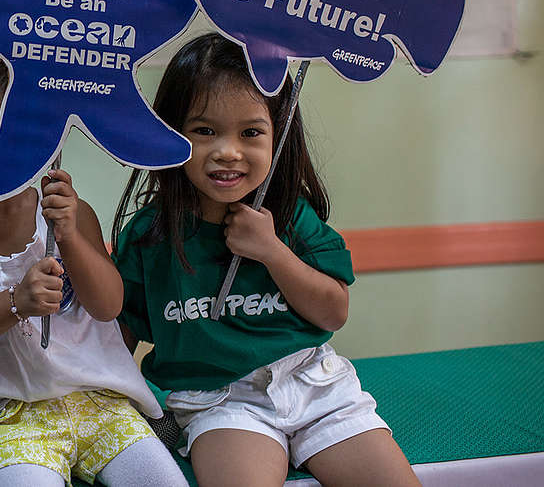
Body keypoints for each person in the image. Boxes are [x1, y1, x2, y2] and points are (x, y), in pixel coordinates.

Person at [112, 34, 420, 487]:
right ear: (170, 133)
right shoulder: (148, 235)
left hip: (317, 386)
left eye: (250, 132)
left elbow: (334, 311)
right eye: (204, 131)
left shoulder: (293, 215)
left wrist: (271, 251)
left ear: (278, 135)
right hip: (219, 402)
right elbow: (122, 330)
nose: (228, 151)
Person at [0, 51, 188, 487]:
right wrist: (16, 302)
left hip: (98, 403)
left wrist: (70, 236)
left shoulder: (69, 215)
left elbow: (109, 305)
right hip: (5, 416)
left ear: (19, 131)